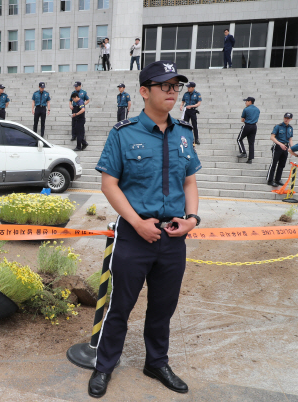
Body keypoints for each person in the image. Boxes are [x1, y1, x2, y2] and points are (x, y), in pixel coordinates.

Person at [90, 60, 201, 398]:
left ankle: (156, 362)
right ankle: (104, 366)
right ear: (144, 91)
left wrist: (192, 219)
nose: (172, 92)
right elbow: (109, 185)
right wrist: (137, 222)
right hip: (134, 236)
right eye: (165, 86)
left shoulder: (184, 132)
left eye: (175, 86)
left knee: (163, 307)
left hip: (172, 238)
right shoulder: (123, 133)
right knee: (119, 306)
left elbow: (190, 180)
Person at [267, 113, 294, 187]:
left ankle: (277, 179)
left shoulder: (290, 128)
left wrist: (292, 149)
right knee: (274, 163)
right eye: (285, 117)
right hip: (278, 146)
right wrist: (280, 144)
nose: (286, 119)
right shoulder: (278, 126)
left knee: (282, 164)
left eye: (288, 118)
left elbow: (290, 139)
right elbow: (272, 137)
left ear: (291, 119)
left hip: (285, 147)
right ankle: (270, 180)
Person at [237, 97, 260, 164]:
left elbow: (242, 120)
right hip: (254, 126)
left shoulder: (246, 109)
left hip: (247, 125)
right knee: (251, 143)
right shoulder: (257, 109)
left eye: (246, 101)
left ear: (250, 101)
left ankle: (243, 152)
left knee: (239, 139)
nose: (245, 102)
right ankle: (250, 159)